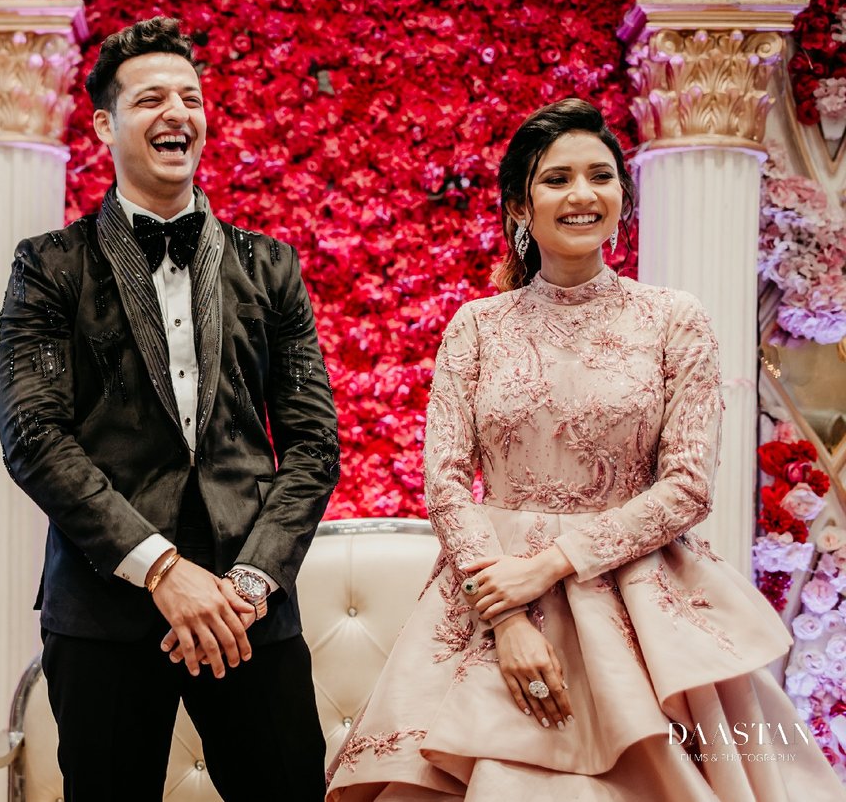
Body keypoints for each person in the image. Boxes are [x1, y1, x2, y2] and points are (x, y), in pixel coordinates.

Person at [326, 99, 845, 800]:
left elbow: (688, 485)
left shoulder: (673, 319)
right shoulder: (476, 326)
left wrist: (549, 564)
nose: (581, 194)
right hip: (489, 592)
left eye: (600, 176)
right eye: (556, 178)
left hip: (637, 596)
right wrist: (506, 613)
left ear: (622, 198)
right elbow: (446, 482)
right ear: (519, 203)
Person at [0, 16, 340, 800]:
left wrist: (250, 580)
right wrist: (162, 571)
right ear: (105, 125)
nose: (176, 111)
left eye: (190, 96)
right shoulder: (49, 267)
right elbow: (33, 436)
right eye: (151, 97)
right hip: (103, 610)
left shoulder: (272, 265)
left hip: (250, 613)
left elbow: (315, 443)